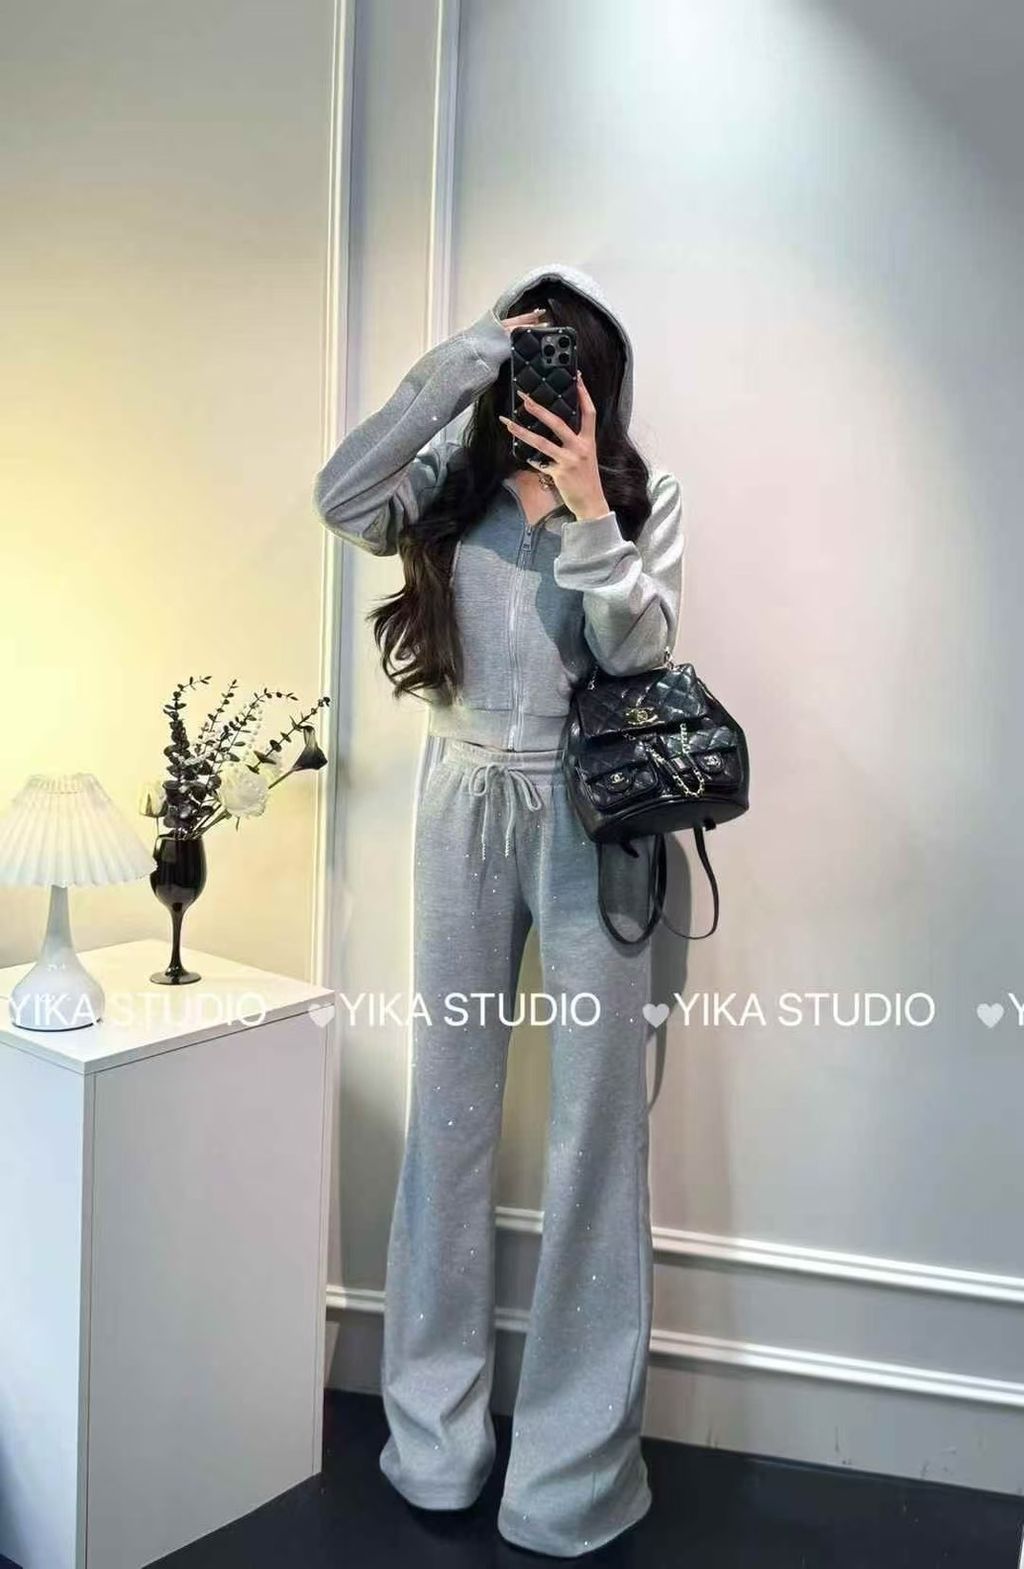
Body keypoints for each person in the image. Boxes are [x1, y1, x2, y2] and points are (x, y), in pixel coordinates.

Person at [313, 262, 684, 1558]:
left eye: (563, 365)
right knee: (453, 1116)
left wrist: (590, 510)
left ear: (601, 385)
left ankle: (570, 1475)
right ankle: (435, 1441)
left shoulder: (642, 494)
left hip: (590, 815)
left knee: (596, 1135)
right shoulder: (448, 480)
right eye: (529, 358)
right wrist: (459, 361)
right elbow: (340, 497)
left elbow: (643, 653)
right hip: (462, 798)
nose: (544, 382)